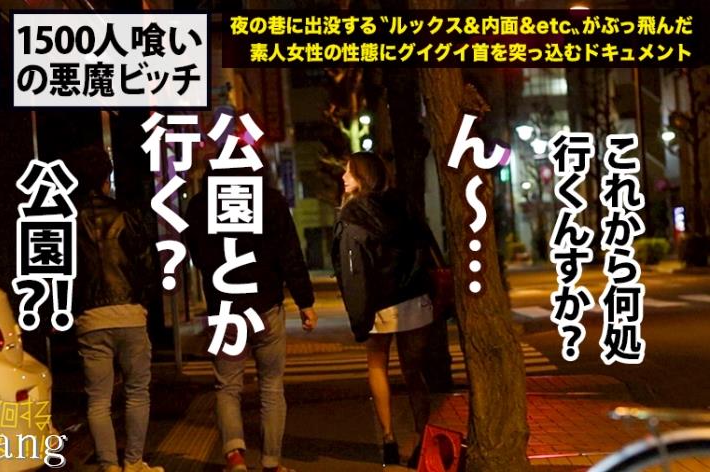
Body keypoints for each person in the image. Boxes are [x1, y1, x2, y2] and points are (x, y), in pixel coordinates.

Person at [183, 161, 317, 472]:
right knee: (271, 385)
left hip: (225, 311)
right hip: (265, 306)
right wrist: (305, 301)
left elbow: (198, 256)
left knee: (228, 386)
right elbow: (289, 253)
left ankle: (235, 457)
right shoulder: (270, 201)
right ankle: (271, 462)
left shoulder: (200, 206)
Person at [331, 151, 449, 468]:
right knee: (414, 372)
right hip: (414, 298)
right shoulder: (404, 204)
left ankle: (388, 439)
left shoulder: (352, 215)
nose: (344, 177)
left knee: (377, 366)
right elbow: (426, 245)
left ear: (364, 176)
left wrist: (359, 315)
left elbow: (352, 271)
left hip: (377, 303)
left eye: (350, 172)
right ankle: (422, 438)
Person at [63, 146, 164, 472]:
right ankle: (133, 462)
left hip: (91, 319)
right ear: (107, 178)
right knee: (137, 392)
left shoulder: (68, 218)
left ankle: (109, 466)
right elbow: (148, 265)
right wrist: (142, 302)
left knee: (98, 400)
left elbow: (62, 273)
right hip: (130, 314)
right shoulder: (127, 214)